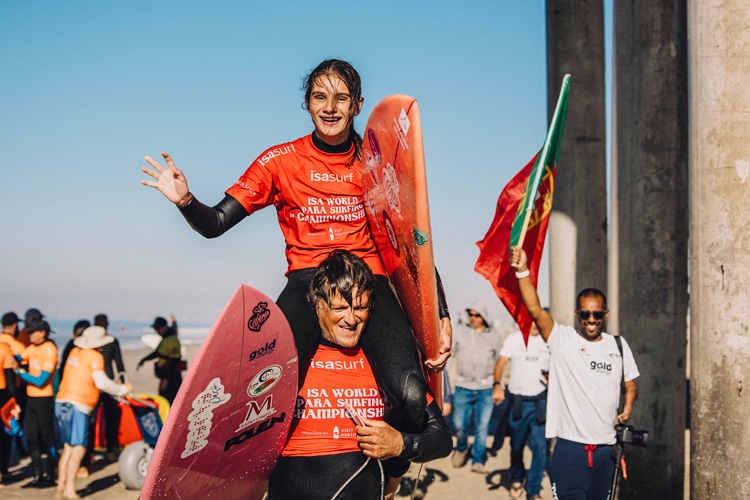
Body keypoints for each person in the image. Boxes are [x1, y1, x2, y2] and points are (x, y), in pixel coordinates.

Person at [140, 58, 451, 433]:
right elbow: (216, 224)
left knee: (412, 396)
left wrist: (440, 315)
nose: (330, 108)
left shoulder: (376, 164)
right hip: (308, 283)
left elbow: (409, 240)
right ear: (307, 103)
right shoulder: (279, 161)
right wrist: (186, 200)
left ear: (358, 105)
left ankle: (388, 470)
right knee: (261, 394)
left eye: (341, 98)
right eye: (320, 97)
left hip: (369, 283)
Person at [267, 250, 452, 500]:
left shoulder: (385, 365)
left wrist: (400, 444)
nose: (351, 318)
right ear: (317, 304)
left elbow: (442, 440)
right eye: (340, 308)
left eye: (361, 307)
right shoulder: (292, 363)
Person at [510, 246, 639, 500]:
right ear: (577, 314)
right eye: (586, 314)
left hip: (607, 450)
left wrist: (629, 403)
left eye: (598, 314)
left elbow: (631, 383)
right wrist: (523, 270)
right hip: (570, 450)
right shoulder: (563, 340)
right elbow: (535, 309)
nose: (592, 319)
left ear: (606, 314)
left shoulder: (619, 346)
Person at [55, 325, 132, 500]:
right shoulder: (95, 356)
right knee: (79, 448)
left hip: (62, 401)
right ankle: (69, 491)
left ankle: (60, 486)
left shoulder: (75, 352)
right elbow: (102, 383)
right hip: (79, 405)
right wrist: (122, 389)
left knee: (68, 447)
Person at [493, 322, 550, 500]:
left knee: (540, 449)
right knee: (516, 446)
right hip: (518, 402)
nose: (534, 323)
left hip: (540, 402)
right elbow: (501, 364)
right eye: (530, 319)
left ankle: (534, 491)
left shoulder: (548, 341)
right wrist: (497, 386)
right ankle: (517, 478)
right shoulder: (514, 339)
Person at [447, 302, 502, 474]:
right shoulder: (461, 332)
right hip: (463, 387)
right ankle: (462, 447)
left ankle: (477, 460)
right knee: (458, 425)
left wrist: (499, 387)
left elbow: (499, 362)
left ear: (483, 316)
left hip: (486, 388)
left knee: (483, 426)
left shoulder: (493, 335)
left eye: (476, 315)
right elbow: (450, 357)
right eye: (470, 314)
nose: (472, 317)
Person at [12, 320, 58, 488]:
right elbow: (16, 357)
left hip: (44, 399)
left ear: (43, 333)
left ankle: (51, 475)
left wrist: (20, 371)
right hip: (31, 400)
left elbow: (41, 381)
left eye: (33, 332)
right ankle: (37, 476)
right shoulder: (32, 348)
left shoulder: (50, 349)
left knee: (47, 439)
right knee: (31, 437)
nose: (29, 335)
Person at [92, 314, 125, 462]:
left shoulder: (111, 341)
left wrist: (123, 384)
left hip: (108, 383)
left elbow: (119, 364)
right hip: (93, 383)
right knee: (91, 420)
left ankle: (110, 449)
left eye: (102, 323)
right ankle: (90, 453)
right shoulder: (90, 343)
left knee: (110, 418)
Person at [137, 316, 182, 404]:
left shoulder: (172, 340)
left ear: (165, 327)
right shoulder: (165, 339)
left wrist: (166, 379)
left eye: (158, 328)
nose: (156, 331)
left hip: (172, 379)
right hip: (166, 377)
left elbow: (174, 362)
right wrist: (144, 359)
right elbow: (158, 353)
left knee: (168, 402)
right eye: (155, 328)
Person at [0, 339, 18, 487]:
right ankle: (3, 470)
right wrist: (15, 402)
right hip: (2, 396)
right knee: (4, 436)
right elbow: (10, 380)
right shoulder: (4, 348)